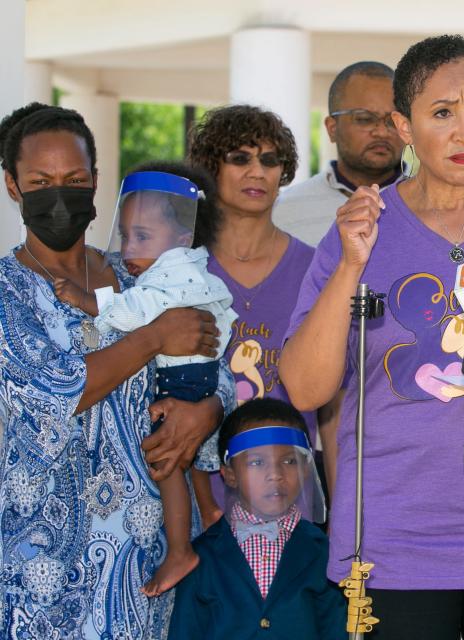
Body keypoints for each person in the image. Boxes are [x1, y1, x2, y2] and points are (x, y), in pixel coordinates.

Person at [280, 35, 464, 640]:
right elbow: (304, 388)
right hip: (394, 540)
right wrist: (349, 264)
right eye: (443, 113)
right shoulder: (361, 230)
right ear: (404, 125)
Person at [0, 103, 234, 638]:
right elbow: (52, 393)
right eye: (40, 181)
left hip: (152, 557)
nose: (58, 193)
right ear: (13, 186)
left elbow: (211, 359)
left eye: (74, 180)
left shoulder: (141, 271)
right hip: (45, 572)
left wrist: (208, 409)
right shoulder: (6, 293)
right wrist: (154, 336)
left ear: (96, 182)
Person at [54, 165, 237, 595]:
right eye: (127, 234)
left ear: (180, 239)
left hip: (183, 382)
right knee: (184, 456)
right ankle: (208, 508)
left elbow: (132, 312)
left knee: (166, 459)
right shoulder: (189, 269)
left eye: (142, 236)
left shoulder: (164, 277)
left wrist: (84, 300)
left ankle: (180, 550)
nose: (130, 246)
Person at [187, 105, 333, 498]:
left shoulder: (316, 270)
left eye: (270, 160)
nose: (257, 172)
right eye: (240, 158)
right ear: (210, 166)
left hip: (288, 493)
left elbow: (333, 402)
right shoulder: (180, 268)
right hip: (195, 494)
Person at [168, 397, 346, 639]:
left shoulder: (325, 553)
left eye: (289, 461)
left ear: (306, 469)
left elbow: (336, 629)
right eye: (257, 462)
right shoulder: (199, 557)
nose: (275, 474)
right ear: (229, 475)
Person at [273, 61, 404, 248]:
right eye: (365, 119)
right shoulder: (286, 210)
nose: (382, 132)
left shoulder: (435, 202)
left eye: (392, 121)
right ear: (332, 128)